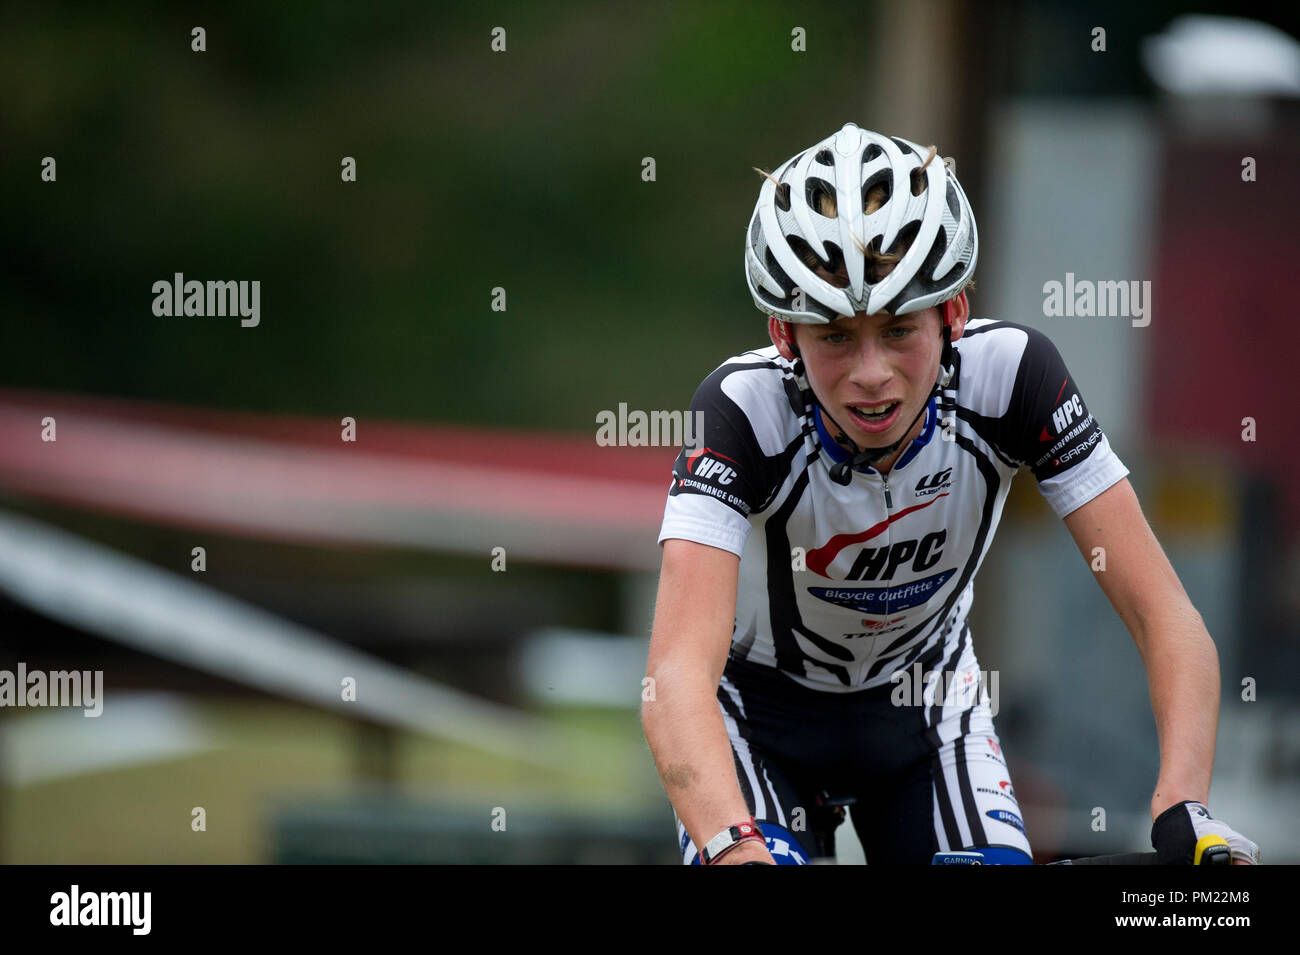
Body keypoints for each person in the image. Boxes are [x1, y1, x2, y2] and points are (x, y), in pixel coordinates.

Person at [640, 122, 1260, 866]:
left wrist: (1182, 803)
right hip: (757, 716)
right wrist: (735, 847)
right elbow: (675, 675)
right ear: (784, 333)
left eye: (900, 329)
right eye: (835, 337)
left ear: (954, 313)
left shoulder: (1014, 377)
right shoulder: (741, 411)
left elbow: (1165, 613)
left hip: (928, 707)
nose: (871, 373)